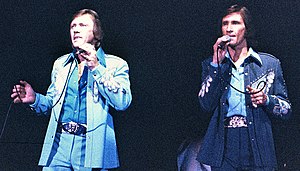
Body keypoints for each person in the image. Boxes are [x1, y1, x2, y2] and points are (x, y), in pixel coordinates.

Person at [11, 9, 132, 170]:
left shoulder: (115, 64)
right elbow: (52, 104)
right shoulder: (61, 64)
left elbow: (123, 102)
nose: (75, 29)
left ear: (96, 32)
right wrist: (35, 99)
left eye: (82, 25)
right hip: (59, 145)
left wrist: (96, 68)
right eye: (72, 26)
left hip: (91, 146)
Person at [197, 4, 292, 171]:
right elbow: (205, 104)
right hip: (225, 145)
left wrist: (266, 100)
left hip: (258, 142)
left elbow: (287, 110)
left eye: (235, 23)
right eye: (225, 24)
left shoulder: (269, 64)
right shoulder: (212, 64)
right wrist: (215, 64)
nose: (229, 29)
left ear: (246, 29)